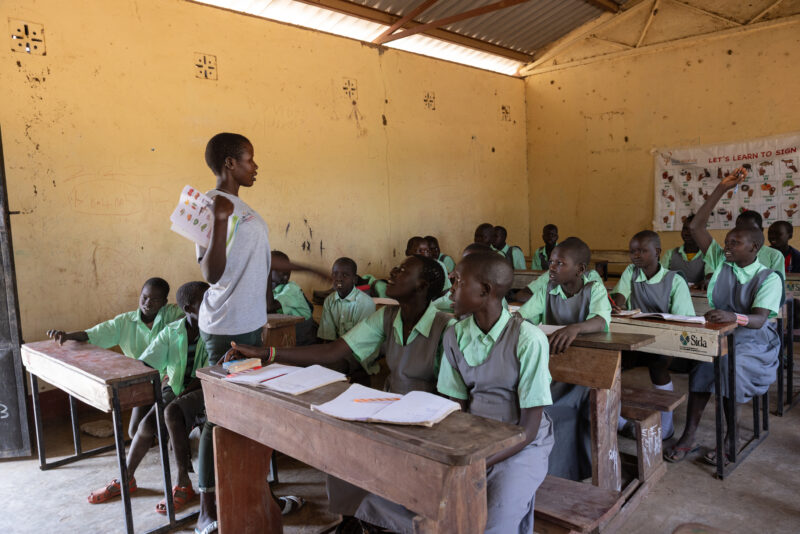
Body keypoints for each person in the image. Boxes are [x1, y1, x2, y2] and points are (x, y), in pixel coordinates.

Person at [223, 255, 449, 530]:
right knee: (340, 450)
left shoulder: (445, 327)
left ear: (422, 285)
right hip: (389, 407)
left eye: (403, 271)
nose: (393, 272)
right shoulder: (388, 316)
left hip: (429, 420)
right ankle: (353, 520)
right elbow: (333, 351)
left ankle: (388, 522)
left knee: (395, 479)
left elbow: (451, 396)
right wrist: (267, 353)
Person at [194, 132, 327, 533]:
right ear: (230, 163)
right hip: (226, 326)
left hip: (248, 321)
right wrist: (217, 223)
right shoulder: (214, 204)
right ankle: (207, 511)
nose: (256, 166)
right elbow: (210, 273)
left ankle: (256, 497)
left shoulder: (239, 206)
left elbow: (255, 259)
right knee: (219, 417)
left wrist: (304, 268)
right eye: (250, 160)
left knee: (249, 414)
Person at [665, 168, 782, 464]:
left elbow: (758, 320)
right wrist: (721, 188)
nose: (726, 247)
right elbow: (697, 228)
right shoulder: (721, 261)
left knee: (729, 364)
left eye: (734, 243)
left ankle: (731, 436)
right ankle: (689, 435)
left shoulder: (768, 277)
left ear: (754, 248)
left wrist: (733, 316)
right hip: (723, 334)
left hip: (756, 340)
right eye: (727, 242)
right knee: (704, 363)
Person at [87, 282, 210, 512]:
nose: (211, 306)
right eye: (205, 303)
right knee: (145, 426)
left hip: (204, 390)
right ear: (188, 308)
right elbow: (147, 361)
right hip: (175, 387)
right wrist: (122, 373)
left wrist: (182, 393)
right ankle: (126, 479)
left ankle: (184, 483)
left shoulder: (214, 330)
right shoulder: (172, 331)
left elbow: (209, 371)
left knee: (171, 414)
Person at [517, 237, 611, 480]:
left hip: (585, 370)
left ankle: (569, 471)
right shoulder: (548, 289)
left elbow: (601, 320)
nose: (552, 268)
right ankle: (547, 469)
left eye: (560, 263)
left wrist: (575, 328)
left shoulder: (594, 289)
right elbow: (522, 316)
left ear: (580, 270)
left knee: (558, 409)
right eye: (551, 262)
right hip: (554, 366)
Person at [47, 277, 183, 438]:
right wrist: (67, 335)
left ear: (164, 302)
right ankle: (159, 436)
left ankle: (170, 437)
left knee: (163, 422)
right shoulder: (124, 322)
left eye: (155, 299)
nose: (148, 303)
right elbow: (92, 334)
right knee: (134, 432)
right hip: (143, 381)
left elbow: (193, 313)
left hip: (169, 380)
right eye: (144, 297)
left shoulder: (171, 315)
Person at [611, 230, 695, 441]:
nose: (636, 255)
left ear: (657, 252)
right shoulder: (631, 272)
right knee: (612, 363)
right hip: (636, 338)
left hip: (667, 341)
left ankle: (666, 427)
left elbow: (683, 321)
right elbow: (620, 298)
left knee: (658, 364)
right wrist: (616, 306)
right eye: (632, 252)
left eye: (642, 251)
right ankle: (620, 422)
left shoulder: (674, 281)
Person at [269, 250, 316, 345]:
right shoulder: (267, 289)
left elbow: (270, 307)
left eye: (288, 271)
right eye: (282, 271)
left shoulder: (291, 289)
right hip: (285, 331)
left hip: (303, 336)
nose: (286, 276)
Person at [660, 214, 709, 287]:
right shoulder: (670, 254)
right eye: (685, 229)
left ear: (702, 232)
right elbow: (660, 275)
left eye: (691, 230)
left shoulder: (707, 255)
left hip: (698, 297)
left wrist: (708, 280)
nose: (687, 233)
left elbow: (710, 275)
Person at [736, 210, 786, 279]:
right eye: (740, 229)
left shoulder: (774, 255)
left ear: (761, 230)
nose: (745, 233)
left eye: (751, 229)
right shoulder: (730, 254)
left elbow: (779, 284)